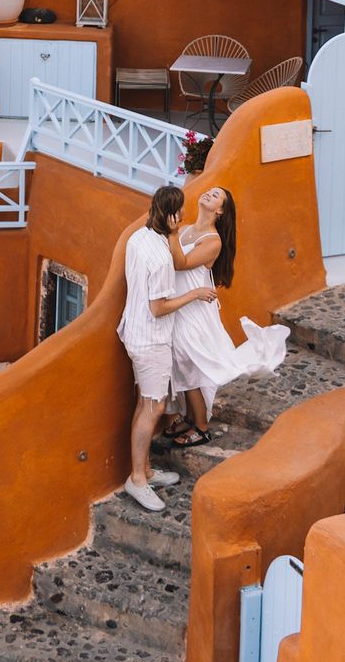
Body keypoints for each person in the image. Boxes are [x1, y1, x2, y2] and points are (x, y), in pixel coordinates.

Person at [118, 184, 219, 512]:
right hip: (152, 339)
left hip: (134, 331)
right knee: (154, 407)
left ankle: (146, 470)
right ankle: (137, 479)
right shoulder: (162, 258)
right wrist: (195, 294)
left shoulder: (139, 237)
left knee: (144, 402)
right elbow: (159, 307)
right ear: (174, 216)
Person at [162, 184, 288, 447]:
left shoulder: (213, 241)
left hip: (194, 311)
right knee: (182, 361)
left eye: (216, 195)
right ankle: (190, 417)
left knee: (188, 362)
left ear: (220, 211)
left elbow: (180, 263)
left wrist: (171, 231)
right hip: (181, 305)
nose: (209, 193)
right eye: (210, 190)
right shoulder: (186, 230)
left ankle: (201, 427)